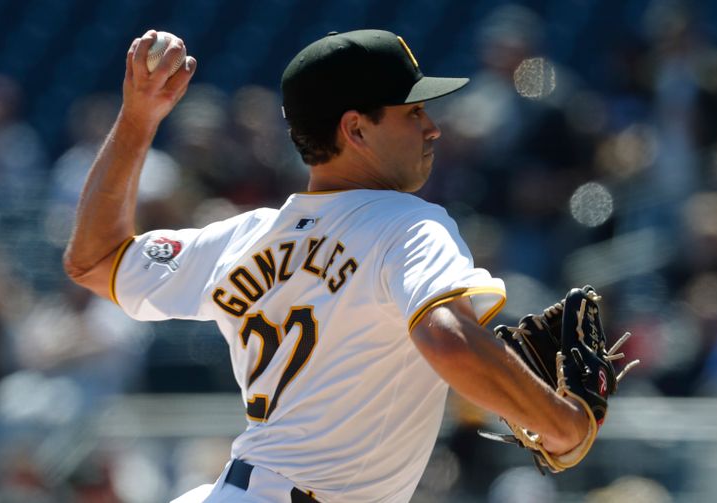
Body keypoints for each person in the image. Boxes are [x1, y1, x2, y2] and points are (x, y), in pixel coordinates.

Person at [64, 29, 588, 503]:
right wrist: (563, 424)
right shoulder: (408, 224)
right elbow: (447, 338)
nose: (432, 128)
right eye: (412, 113)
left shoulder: (246, 236)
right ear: (356, 129)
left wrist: (137, 120)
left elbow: (94, 260)